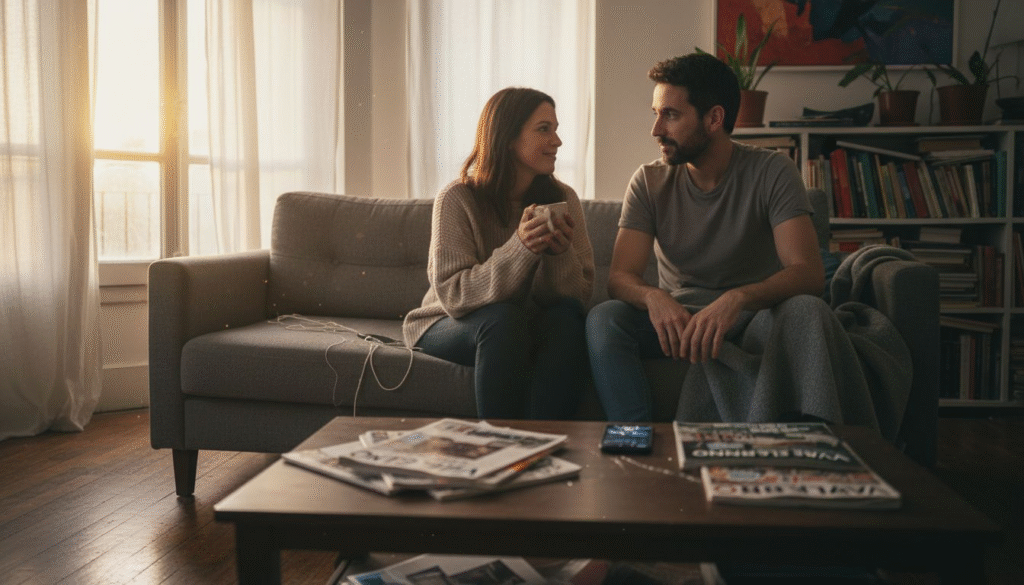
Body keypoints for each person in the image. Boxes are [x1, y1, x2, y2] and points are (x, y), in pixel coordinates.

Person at [586, 52, 833, 423]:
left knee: (807, 310)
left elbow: (808, 272)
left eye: (670, 114)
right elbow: (620, 278)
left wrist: (739, 297)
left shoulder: (773, 171)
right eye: (656, 113)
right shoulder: (649, 181)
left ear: (714, 118)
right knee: (605, 318)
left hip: (753, 317)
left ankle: (809, 443)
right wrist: (654, 296)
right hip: (681, 320)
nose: (656, 130)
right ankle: (635, 436)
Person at [403, 87, 594, 420]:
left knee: (566, 319)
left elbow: (578, 297)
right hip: (448, 321)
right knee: (504, 320)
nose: (558, 141)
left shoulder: (564, 198)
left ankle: (545, 445)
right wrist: (520, 248)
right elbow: (454, 295)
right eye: (544, 129)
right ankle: (497, 446)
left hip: (523, 321)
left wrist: (558, 255)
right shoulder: (457, 198)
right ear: (508, 138)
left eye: (556, 129)